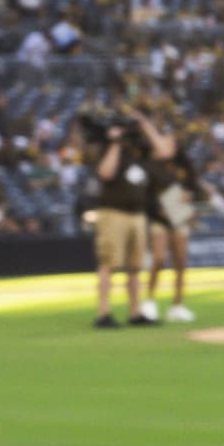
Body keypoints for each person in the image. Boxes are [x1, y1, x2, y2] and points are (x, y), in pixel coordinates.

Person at [82, 108, 154, 329]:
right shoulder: (107, 150)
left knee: (135, 267)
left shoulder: (138, 153)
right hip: (113, 213)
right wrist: (114, 142)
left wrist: (143, 123)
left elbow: (162, 150)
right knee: (108, 264)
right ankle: (104, 313)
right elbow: (105, 173)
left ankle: (135, 312)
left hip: (137, 215)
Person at [145, 108, 200, 323]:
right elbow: (147, 192)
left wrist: (189, 195)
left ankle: (178, 305)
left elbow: (193, 185)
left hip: (179, 213)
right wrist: (157, 208)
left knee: (181, 261)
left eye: (170, 142)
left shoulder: (184, 165)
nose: (168, 145)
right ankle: (149, 301)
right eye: (165, 141)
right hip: (160, 214)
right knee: (158, 258)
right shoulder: (152, 166)